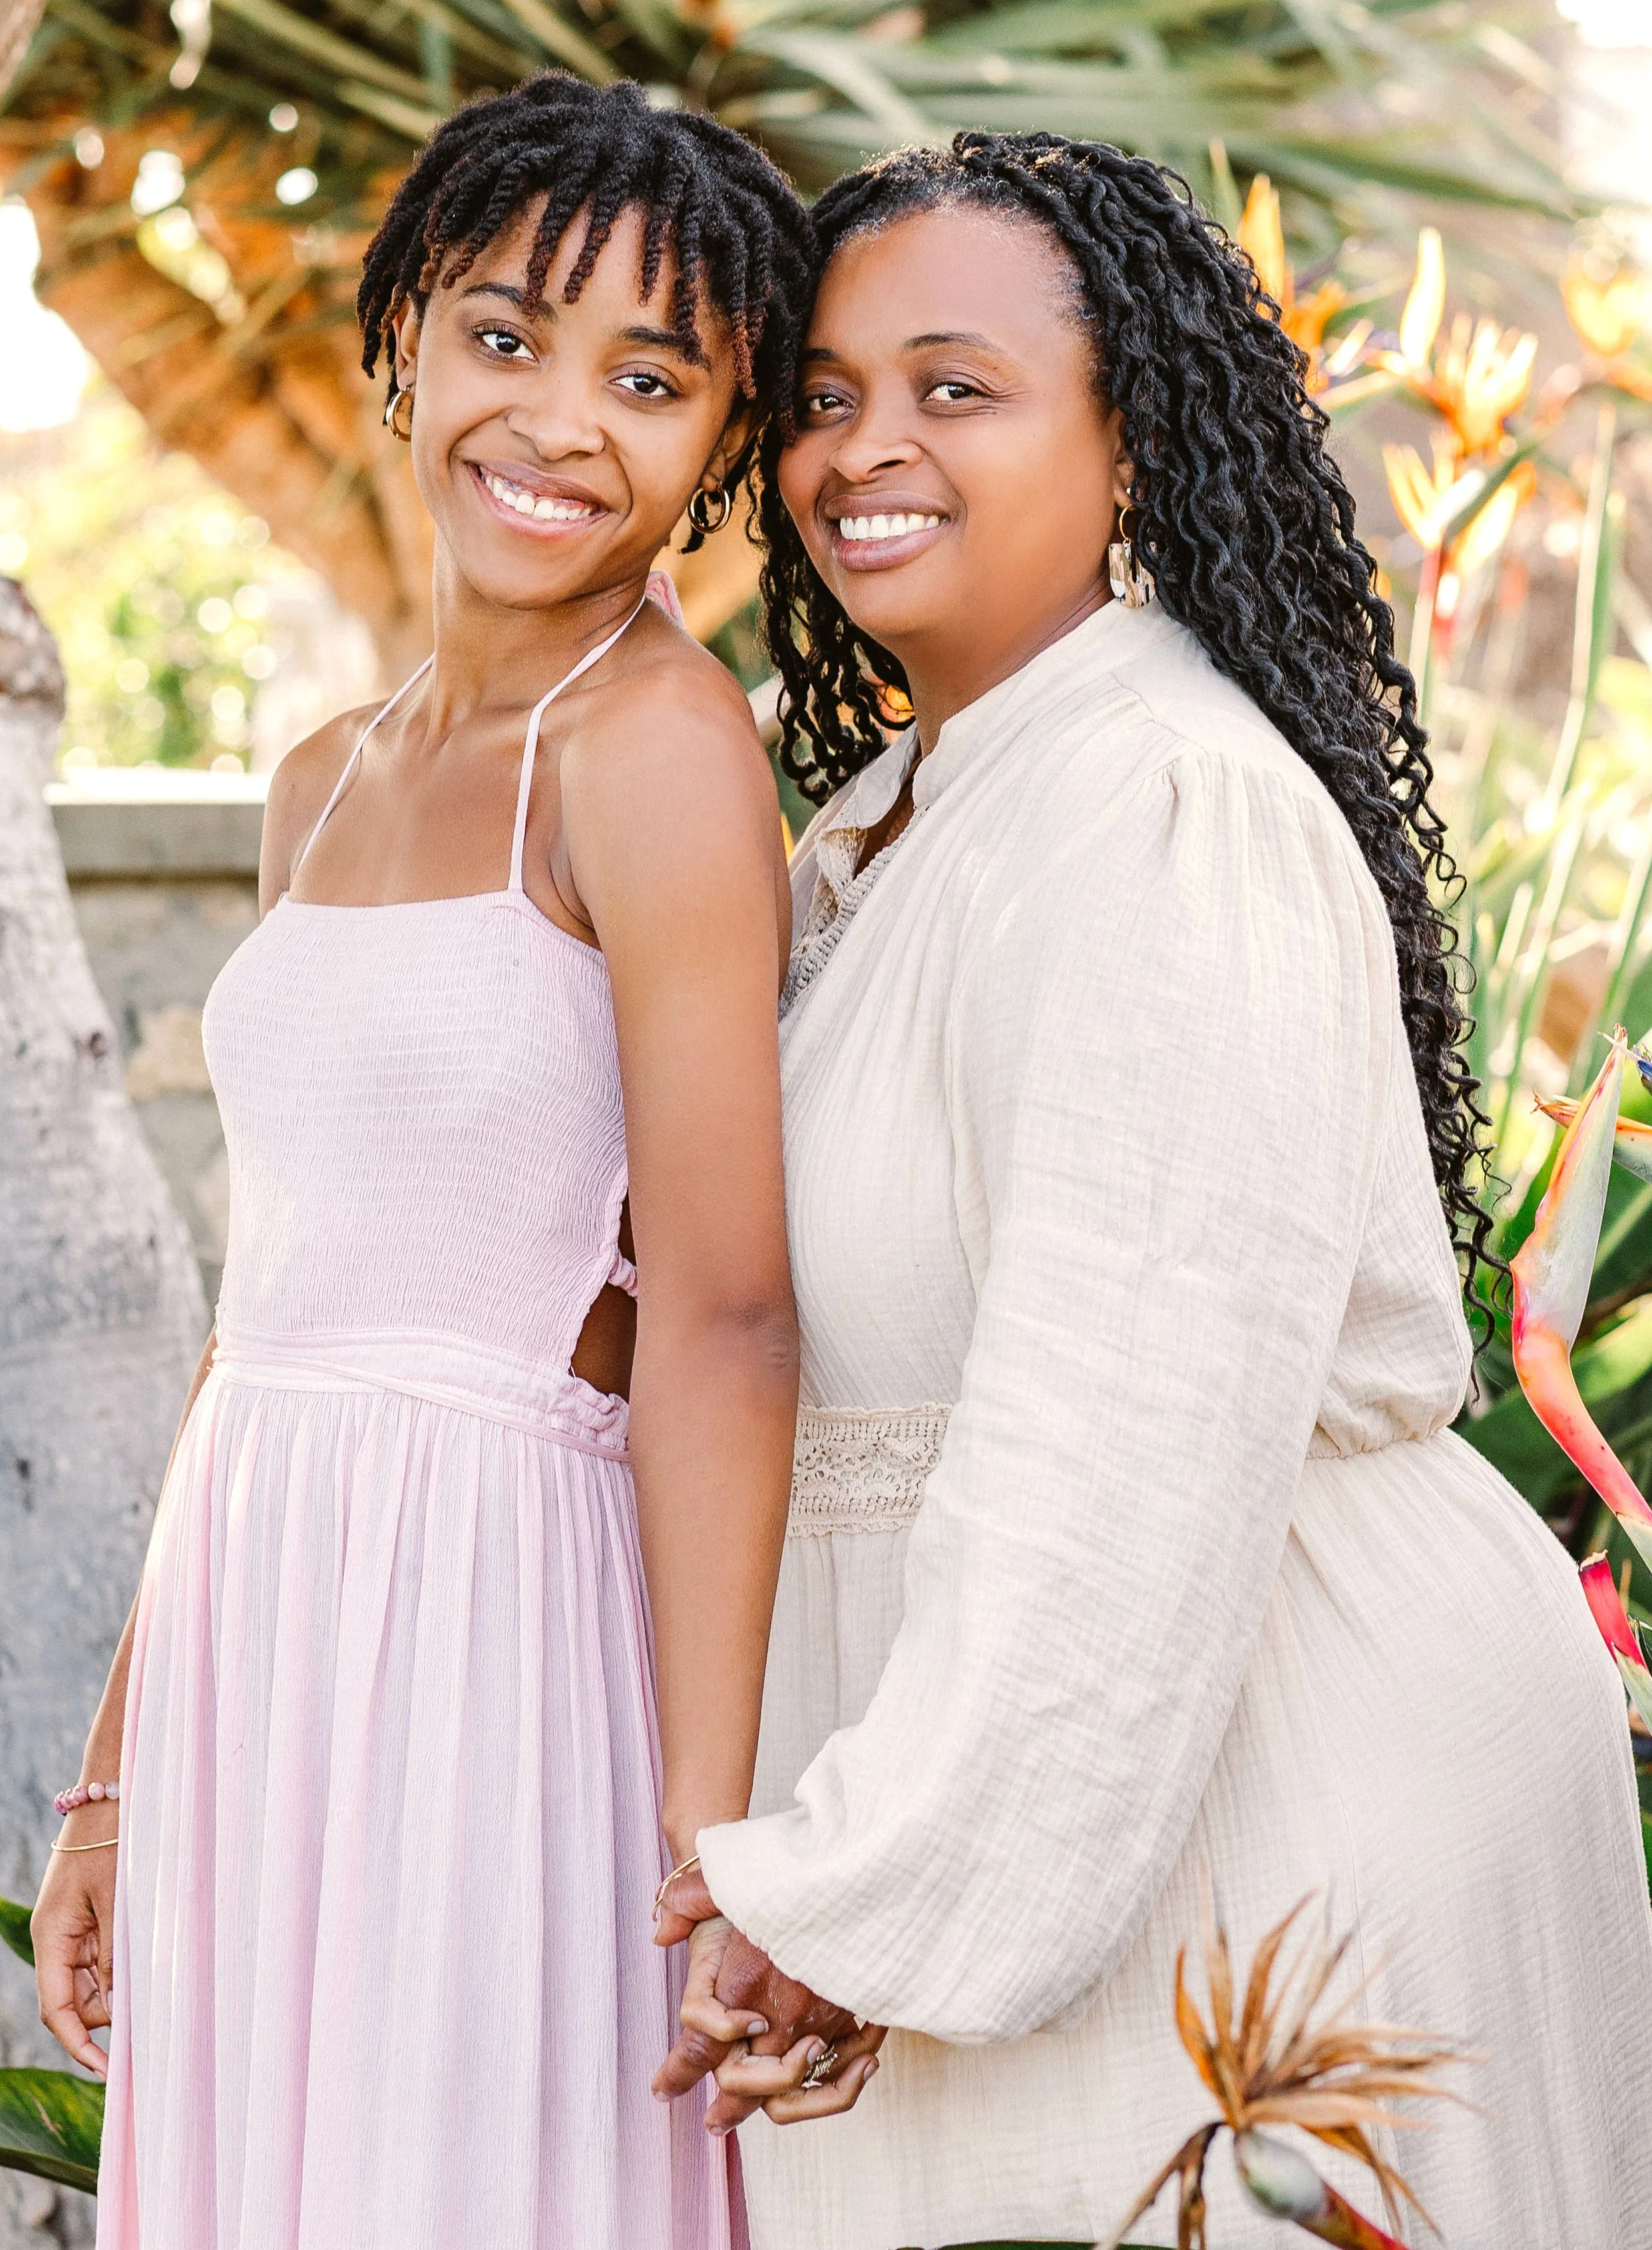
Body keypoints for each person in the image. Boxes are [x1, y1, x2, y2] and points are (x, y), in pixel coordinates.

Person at [654, 132, 1652, 2249]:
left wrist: (876, 1894)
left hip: (1252, 1799)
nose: (861, 450)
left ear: (1133, 442)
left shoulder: (1164, 806)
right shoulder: (907, 816)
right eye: (822, 395)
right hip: (1028, 1791)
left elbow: (1115, 1433)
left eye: (956, 386)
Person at [33, 74, 813, 2250]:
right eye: (504, 336)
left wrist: (719, 1827)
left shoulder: (658, 751)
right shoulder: (320, 774)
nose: (557, 421)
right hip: (256, 1617)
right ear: (403, 345)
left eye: (647, 380)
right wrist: (111, 1767)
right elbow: (262, 1313)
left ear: (721, 443)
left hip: (495, 1630)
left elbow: (726, 1307)